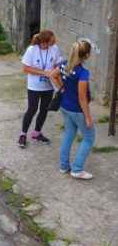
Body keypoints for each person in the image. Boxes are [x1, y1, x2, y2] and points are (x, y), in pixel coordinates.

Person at [51, 40, 95, 180]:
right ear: (86, 55)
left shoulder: (64, 65)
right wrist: (88, 117)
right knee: (89, 138)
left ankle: (64, 166)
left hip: (65, 106)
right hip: (77, 110)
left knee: (69, 134)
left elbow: (52, 75)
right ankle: (76, 169)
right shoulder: (83, 73)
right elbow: (82, 98)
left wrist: (62, 88)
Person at [18, 30, 63, 149]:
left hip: (48, 87)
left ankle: (37, 133)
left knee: (44, 110)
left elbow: (59, 64)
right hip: (34, 86)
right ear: (44, 42)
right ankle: (23, 134)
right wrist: (44, 72)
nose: (54, 43)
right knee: (32, 109)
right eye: (51, 42)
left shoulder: (55, 49)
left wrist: (56, 71)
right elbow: (26, 68)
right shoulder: (32, 50)